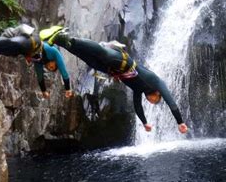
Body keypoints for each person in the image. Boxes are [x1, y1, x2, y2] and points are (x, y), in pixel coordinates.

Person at [40, 26, 188, 134]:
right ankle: (68, 37)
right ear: (157, 94)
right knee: (101, 52)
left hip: (112, 70)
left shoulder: (139, 90)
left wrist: (145, 123)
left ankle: (59, 41)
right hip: (123, 62)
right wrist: (180, 122)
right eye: (156, 100)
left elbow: (138, 107)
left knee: (89, 60)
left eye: (152, 102)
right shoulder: (156, 81)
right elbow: (172, 103)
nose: (152, 101)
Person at [0, 24, 73, 98]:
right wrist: (68, 89)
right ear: (54, 61)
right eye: (53, 67)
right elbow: (64, 71)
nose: (50, 67)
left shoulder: (39, 61)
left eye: (50, 69)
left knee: (7, 51)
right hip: (32, 40)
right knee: (15, 43)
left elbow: (40, 77)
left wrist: (44, 91)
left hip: (23, 45)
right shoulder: (53, 51)